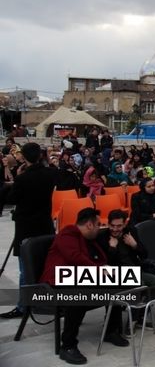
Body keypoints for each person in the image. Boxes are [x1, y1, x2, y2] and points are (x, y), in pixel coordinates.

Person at [40, 208, 128, 364]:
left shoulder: (88, 239)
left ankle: (110, 330)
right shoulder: (68, 233)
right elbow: (74, 257)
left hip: (79, 277)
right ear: (89, 225)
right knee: (80, 294)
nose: (100, 228)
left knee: (117, 282)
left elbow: (98, 259)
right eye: (98, 224)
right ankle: (67, 346)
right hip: (58, 281)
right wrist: (100, 270)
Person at [1, 143, 57, 320]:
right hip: (44, 224)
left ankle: (23, 305)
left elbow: (12, 199)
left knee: (25, 269)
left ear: (24, 157)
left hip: (26, 227)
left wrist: (16, 178)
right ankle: (40, 300)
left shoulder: (23, 179)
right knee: (43, 263)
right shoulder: (50, 174)